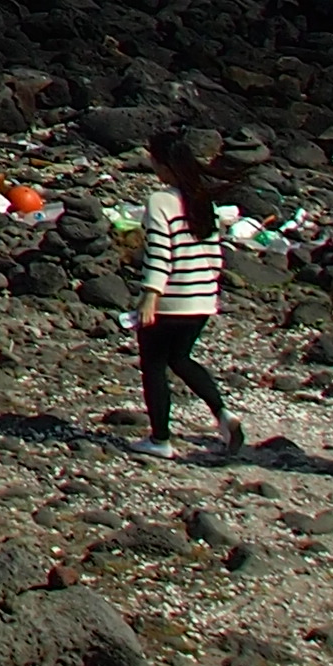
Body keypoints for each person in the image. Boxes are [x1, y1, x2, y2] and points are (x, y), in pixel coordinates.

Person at [132, 130, 242, 457]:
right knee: (180, 359)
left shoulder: (160, 201)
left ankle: (160, 440)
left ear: (162, 165)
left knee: (152, 364)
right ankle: (224, 415)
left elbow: (160, 253)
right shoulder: (203, 199)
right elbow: (215, 256)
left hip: (171, 299)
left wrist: (150, 295)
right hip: (203, 300)